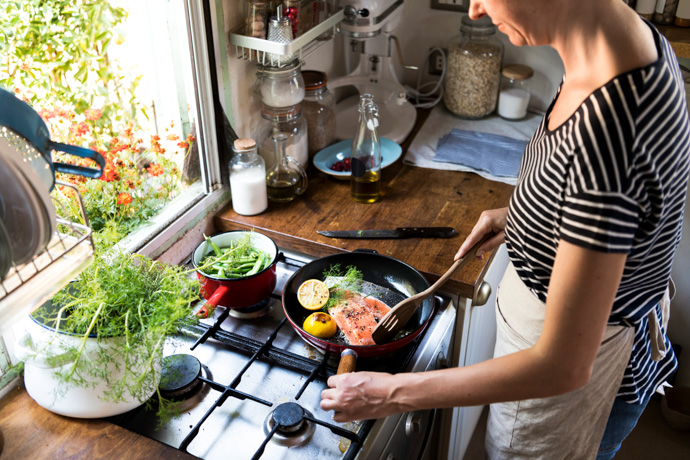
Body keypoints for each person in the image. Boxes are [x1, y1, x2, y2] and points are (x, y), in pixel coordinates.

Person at [320, 1, 690, 458]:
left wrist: (392, 393)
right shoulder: (618, 40)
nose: (474, 10)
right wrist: (527, 216)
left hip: (569, 380)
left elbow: (562, 366)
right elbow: (608, 211)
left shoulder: (611, 132)